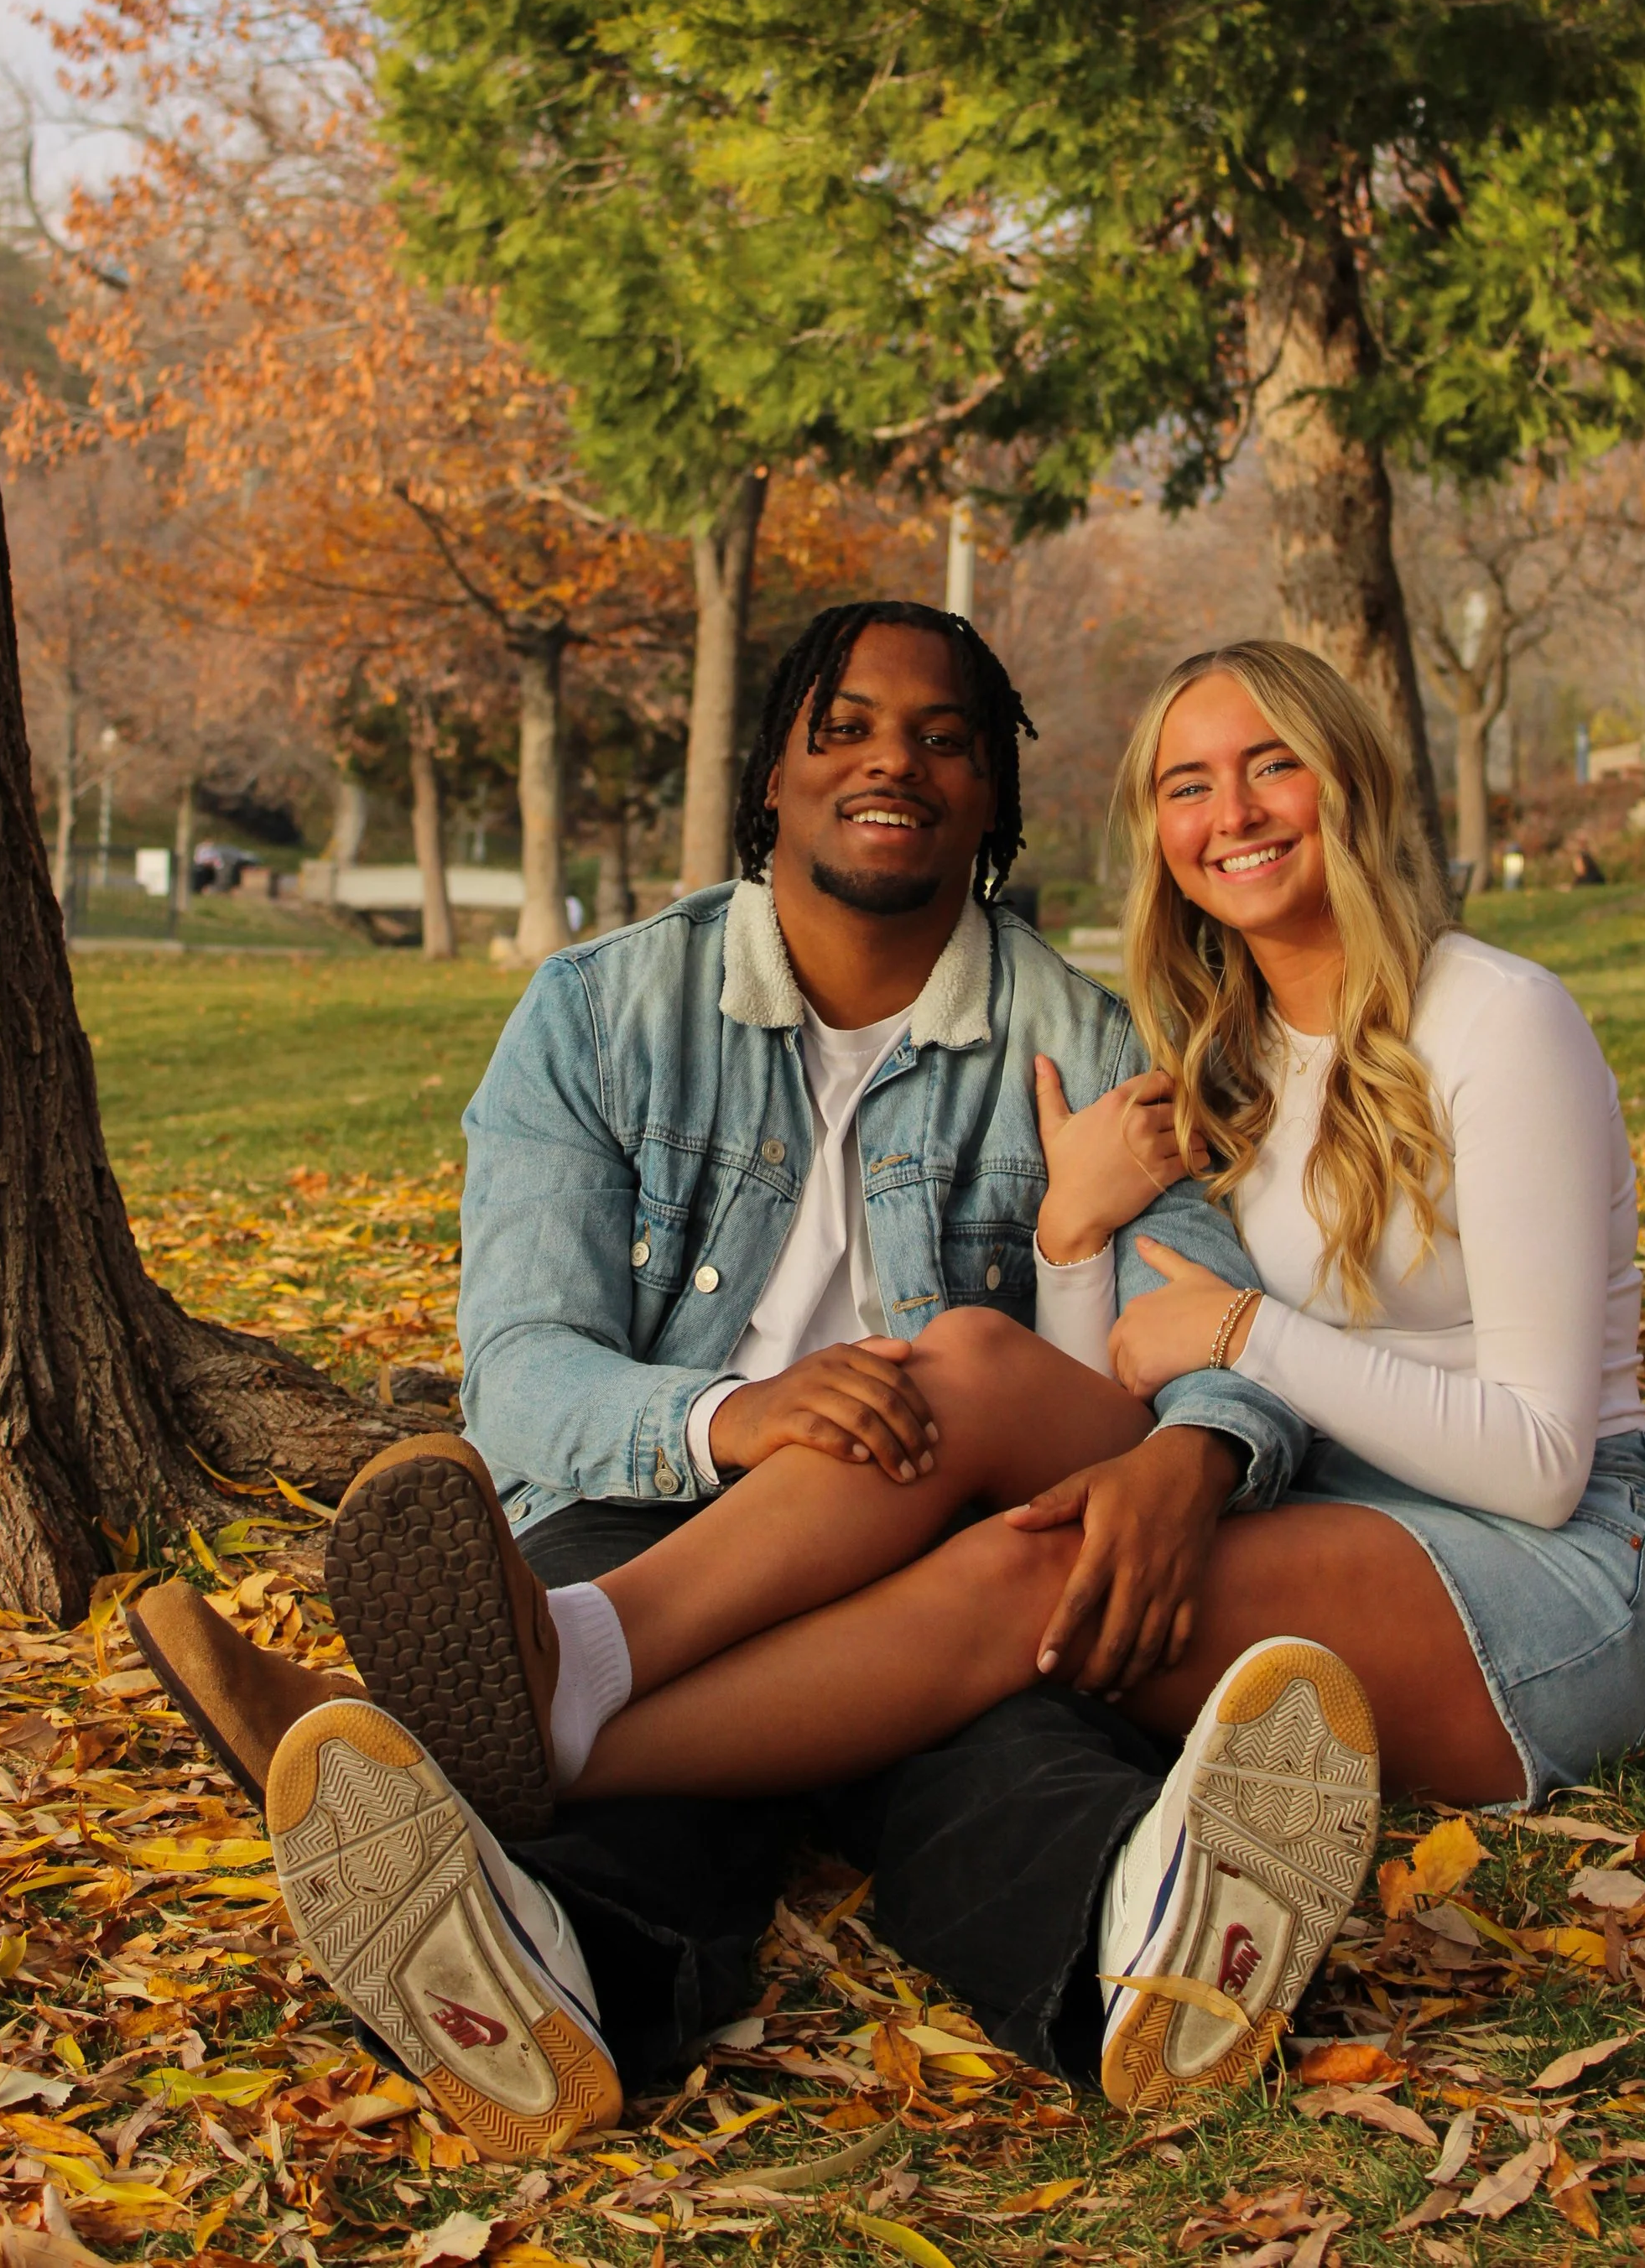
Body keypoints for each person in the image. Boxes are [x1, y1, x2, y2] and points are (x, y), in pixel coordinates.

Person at [138, 603, 1344, 2156]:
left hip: (925, 1538)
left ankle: (1151, 1940)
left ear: (991, 799)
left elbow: (1222, 1329)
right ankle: (537, 1971)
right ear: (771, 772)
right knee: (640, 1818)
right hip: (651, 1510)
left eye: (941, 737)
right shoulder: (598, 1011)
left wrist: (1203, 1461)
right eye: (840, 726)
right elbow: (518, 1372)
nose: (888, 761)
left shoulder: (1081, 1033)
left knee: (1008, 1755)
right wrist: (732, 1415)